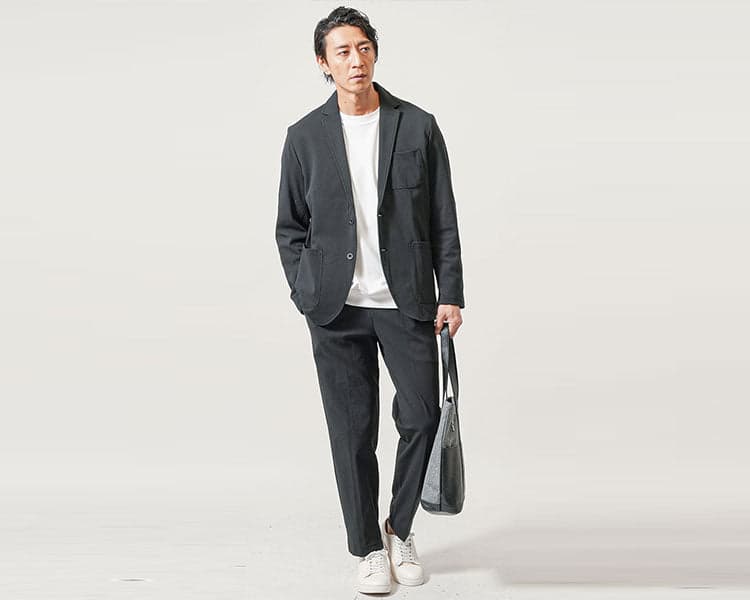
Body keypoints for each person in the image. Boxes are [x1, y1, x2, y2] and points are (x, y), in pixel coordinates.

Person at [274, 6, 465, 595]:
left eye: (363, 48)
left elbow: (442, 216)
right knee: (351, 433)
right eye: (342, 52)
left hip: (407, 302)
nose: (356, 60)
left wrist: (450, 292)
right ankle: (367, 550)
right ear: (323, 64)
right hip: (336, 309)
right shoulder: (304, 137)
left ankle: (399, 529)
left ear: (374, 52)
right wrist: (305, 290)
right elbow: (290, 226)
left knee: (422, 417)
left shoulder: (417, 125)